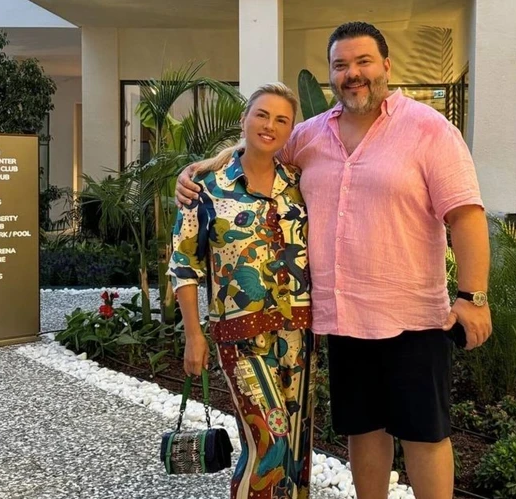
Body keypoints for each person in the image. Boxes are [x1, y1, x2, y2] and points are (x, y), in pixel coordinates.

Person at [176, 22, 492, 499]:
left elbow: (466, 214)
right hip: (344, 320)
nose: (353, 73)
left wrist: (472, 297)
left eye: (363, 61)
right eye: (341, 65)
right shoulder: (309, 135)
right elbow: (259, 147)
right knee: (363, 432)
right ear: (331, 74)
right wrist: (200, 170)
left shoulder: (428, 129)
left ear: (386, 66)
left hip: (413, 318)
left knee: (425, 435)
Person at [168, 83, 316, 499]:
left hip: (299, 334)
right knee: (270, 444)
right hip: (240, 338)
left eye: (282, 120)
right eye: (262, 115)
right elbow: (184, 264)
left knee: (297, 451)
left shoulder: (300, 183)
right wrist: (193, 335)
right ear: (244, 120)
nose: (270, 126)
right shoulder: (206, 187)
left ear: (290, 131)